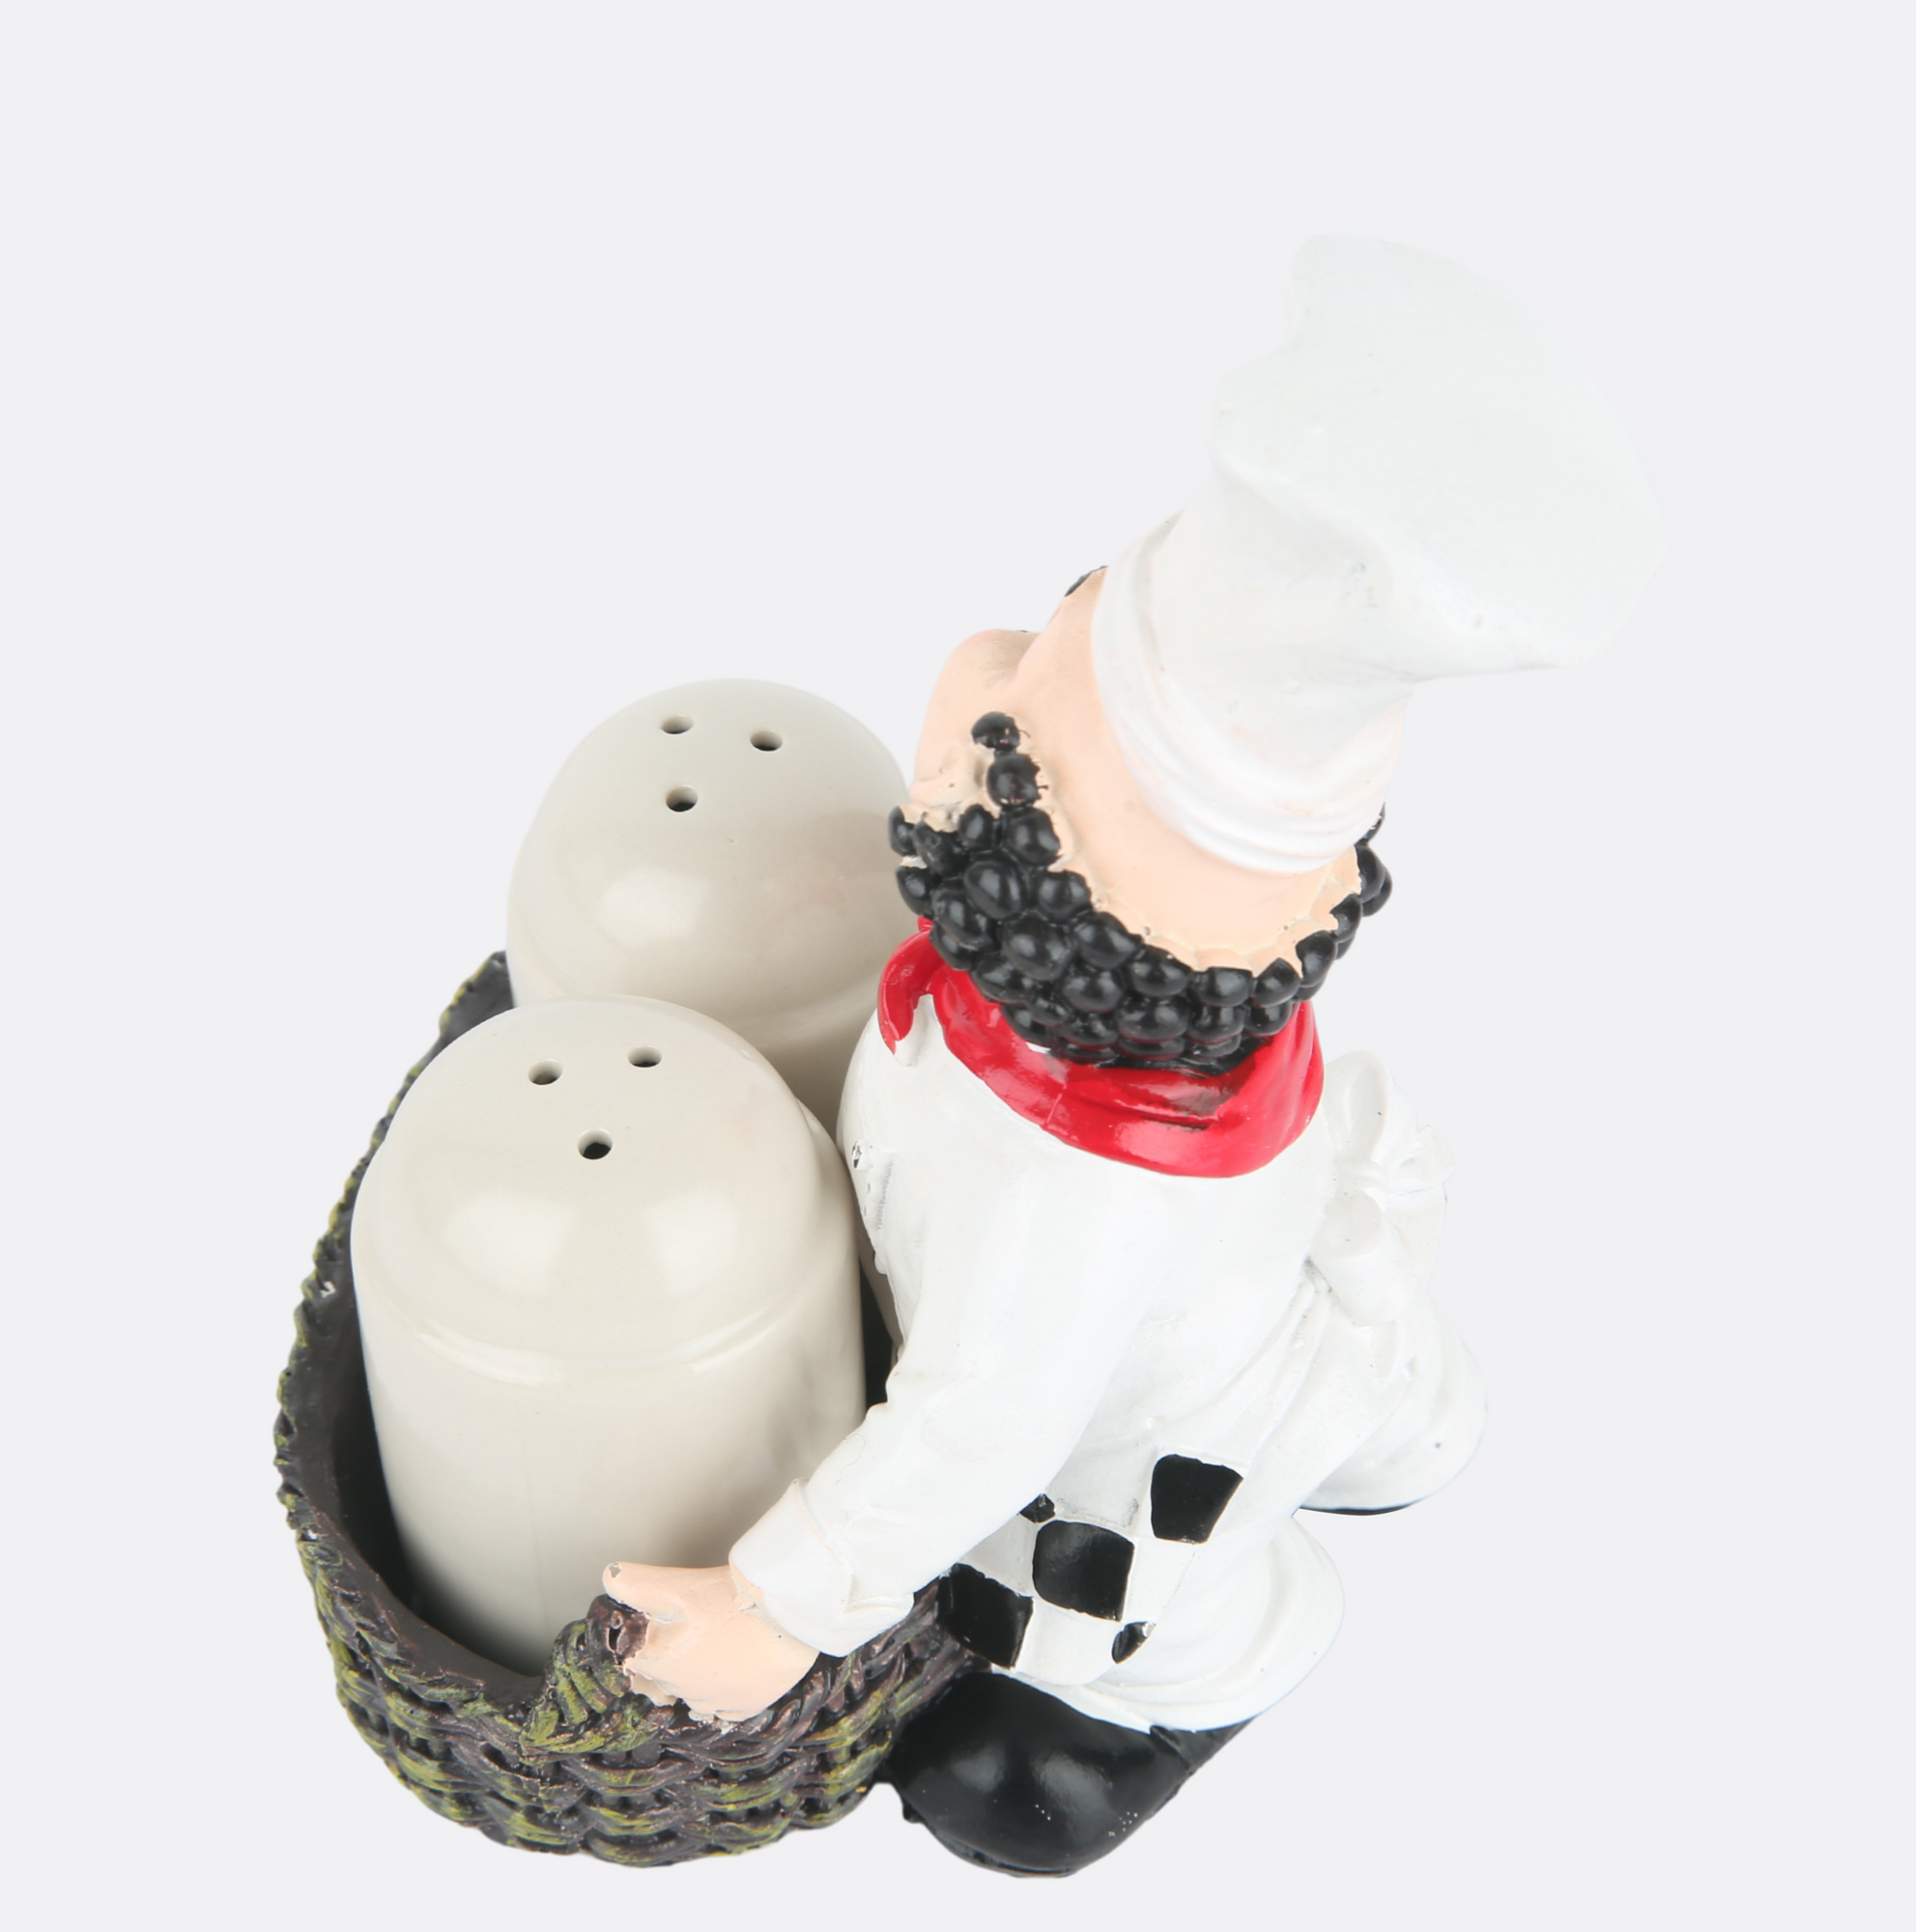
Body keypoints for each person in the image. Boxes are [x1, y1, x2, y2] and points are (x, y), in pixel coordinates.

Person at [606, 236, 1664, 1874]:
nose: (972, 664)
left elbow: (982, 1427)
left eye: (1007, 731)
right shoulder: (1157, 1013)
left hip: (1123, 1445)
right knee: (1288, 1335)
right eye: (1052, 623)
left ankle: (1216, 1665)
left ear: (1070, 901)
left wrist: (777, 1604)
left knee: (1046, 1680)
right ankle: (1388, 1415)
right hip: (1223, 1277)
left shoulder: (1068, 1199)